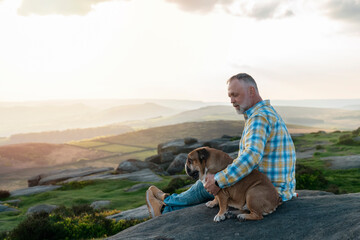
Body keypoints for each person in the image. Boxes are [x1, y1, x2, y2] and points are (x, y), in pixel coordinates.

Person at [146, 73, 296, 218]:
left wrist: (219, 180)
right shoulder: (266, 112)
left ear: (251, 91)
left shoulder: (258, 118)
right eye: (230, 96)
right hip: (271, 188)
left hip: (264, 192)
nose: (232, 100)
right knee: (210, 184)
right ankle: (167, 200)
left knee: (206, 185)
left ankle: (164, 207)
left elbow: (251, 156)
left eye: (235, 94)